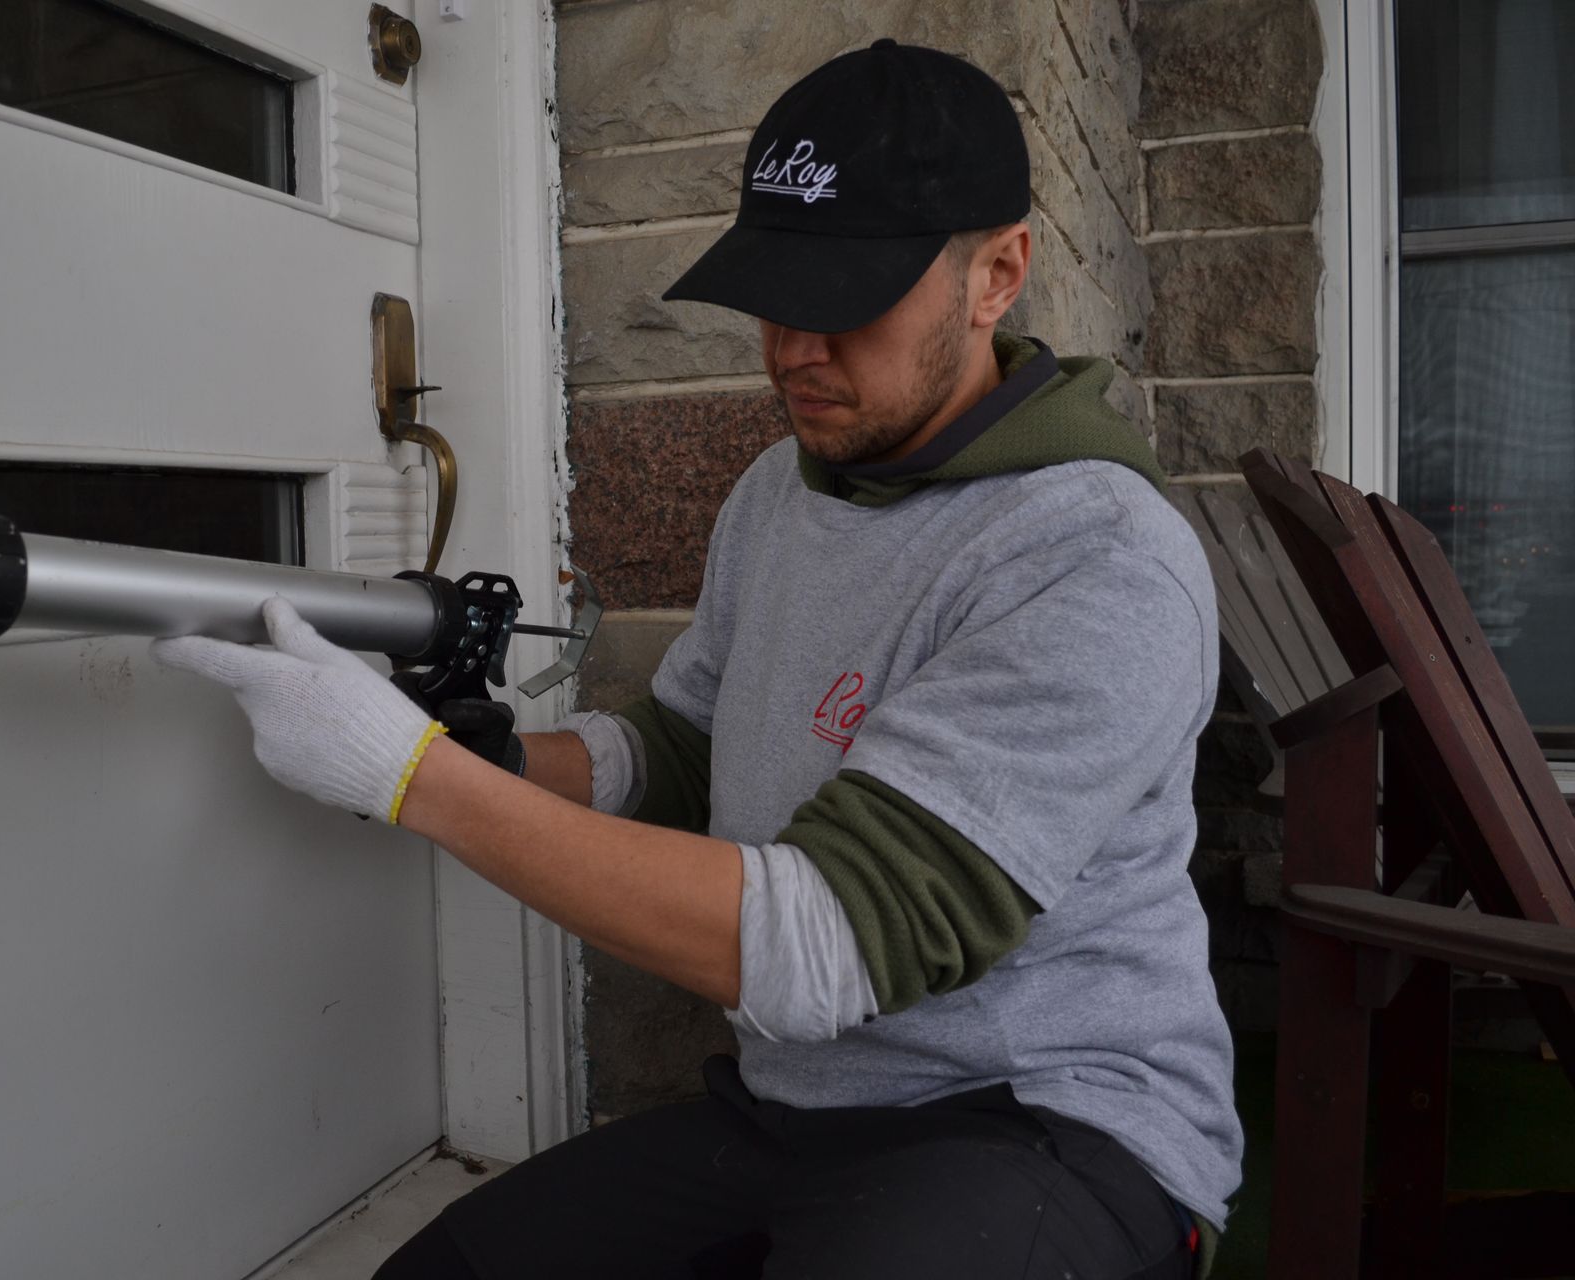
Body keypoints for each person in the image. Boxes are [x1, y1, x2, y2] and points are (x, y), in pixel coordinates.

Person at [154, 41, 1241, 1280]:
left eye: (845, 299)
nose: (791, 350)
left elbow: (834, 939)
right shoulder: (780, 490)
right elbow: (687, 746)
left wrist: (410, 775)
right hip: (796, 1110)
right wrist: (496, 757)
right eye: (774, 295)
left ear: (997, 274)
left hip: (1050, 1123)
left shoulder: (1094, 555)